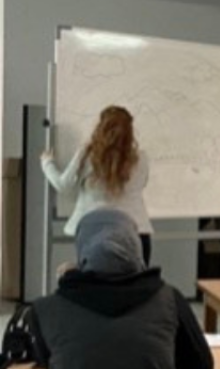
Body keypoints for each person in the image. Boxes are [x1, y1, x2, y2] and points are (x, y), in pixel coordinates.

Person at [29, 208, 214, 369]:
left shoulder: (45, 310)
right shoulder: (169, 299)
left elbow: (50, 365)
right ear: (136, 246)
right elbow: (200, 368)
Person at [42, 106, 154, 265]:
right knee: (138, 281)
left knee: (96, 280)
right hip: (136, 232)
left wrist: (47, 163)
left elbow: (63, 185)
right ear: (130, 132)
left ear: (100, 127)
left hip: (94, 233)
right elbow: (142, 184)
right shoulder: (141, 159)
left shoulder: (87, 155)